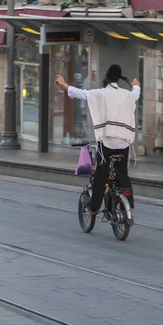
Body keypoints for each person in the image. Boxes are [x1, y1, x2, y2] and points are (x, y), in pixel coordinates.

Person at [56, 64, 141, 222]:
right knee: (123, 175)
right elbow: (136, 92)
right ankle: (129, 205)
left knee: (101, 176)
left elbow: (79, 93)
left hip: (107, 142)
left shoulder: (100, 93)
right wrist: (135, 85)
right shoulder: (128, 95)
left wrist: (63, 84)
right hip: (123, 143)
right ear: (118, 78)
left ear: (107, 77)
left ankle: (94, 207)